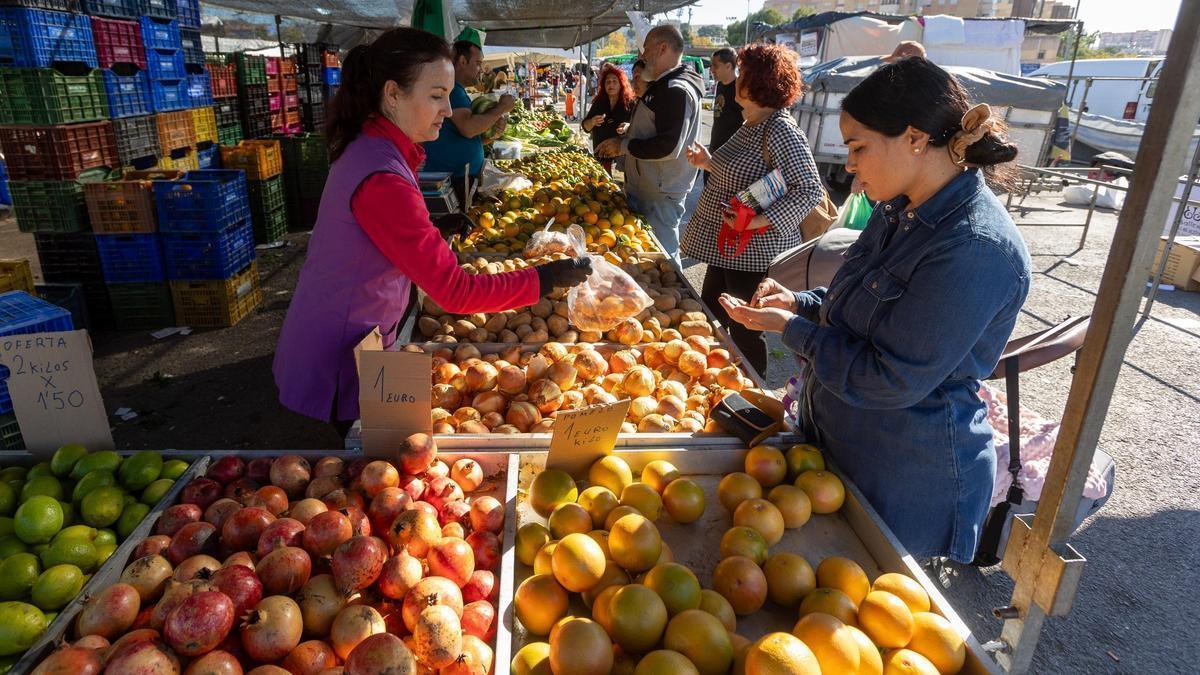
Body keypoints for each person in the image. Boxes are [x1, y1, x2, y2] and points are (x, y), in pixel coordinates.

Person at [719, 57, 1029, 563]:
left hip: (902, 474)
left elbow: (888, 378)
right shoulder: (897, 209)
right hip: (841, 447)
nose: (849, 165)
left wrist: (793, 329)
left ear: (915, 138)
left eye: (858, 147)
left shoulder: (974, 248)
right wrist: (798, 302)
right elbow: (858, 304)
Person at [274, 28, 592, 438]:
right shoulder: (383, 172)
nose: (448, 109)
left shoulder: (374, 147)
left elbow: (370, 234)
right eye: (437, 95)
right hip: (341, 348)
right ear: (393, 94)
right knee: (356, 454)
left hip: (348, 329)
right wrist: (543, 279)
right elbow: (456, 292)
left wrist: (432, 230)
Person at [679, 44, 823, 376]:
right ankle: (711, 377)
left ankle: (751, 390)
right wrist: (708, 163)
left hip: (752, 254)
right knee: (712, 315)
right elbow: (744, 172)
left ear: (759, 82)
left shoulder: (780, 128)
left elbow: (810, 189)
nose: (737, 77)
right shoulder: (753, 122)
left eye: (743, 72)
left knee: (745, 329)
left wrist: (757, 221)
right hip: (729, 248)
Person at [595, 25, 703, 262]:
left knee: (663, 258)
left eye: (646, 48)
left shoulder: (675, 90)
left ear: (662, 48)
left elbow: (668, 146)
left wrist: (623, 146)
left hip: (660, 193)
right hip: (651, 188)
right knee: (648, 253)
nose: (642, 55)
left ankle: (677, 286)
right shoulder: (663, 86)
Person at [420, 39, 515, 207]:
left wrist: (491, 135)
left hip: (459, 177)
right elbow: (468, 128)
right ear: (463, 61)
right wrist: (501, 107)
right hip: (453, 179)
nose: (481, 69)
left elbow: (465, 136)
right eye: (478, 63)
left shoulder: (457, 90)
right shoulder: (452, 90)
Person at [582, 65, 636, 174]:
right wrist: (592, 122)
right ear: (603, 85)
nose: (611, 85)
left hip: (622, 160)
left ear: (621, 84)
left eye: (615, 81)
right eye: (608, 82)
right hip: (601, 158)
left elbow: (638, 128)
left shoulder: (630, 104)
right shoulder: (599, 103)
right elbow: (585, 127)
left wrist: (627, 127)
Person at [708, 47, 743, 156]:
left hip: (731, 154)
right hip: (715, 149)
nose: (712, 70)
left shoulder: (741, 89)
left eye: (716, 66)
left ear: (728, 66)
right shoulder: (720, 85)